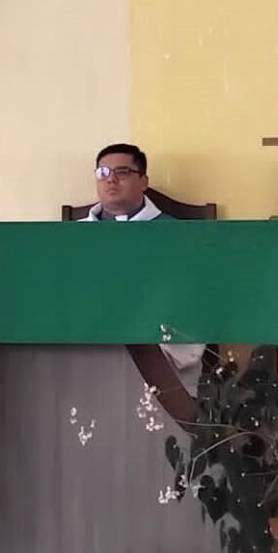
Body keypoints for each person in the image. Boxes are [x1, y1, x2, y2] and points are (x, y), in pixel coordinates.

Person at [81, 144, 204, 391]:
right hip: (86, 358)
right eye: (103, 173)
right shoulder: (71, 238)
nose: (111, 180)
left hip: (159, 359)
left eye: (122, 172)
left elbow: (193, 301)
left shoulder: (179, 237)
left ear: (143, 181)